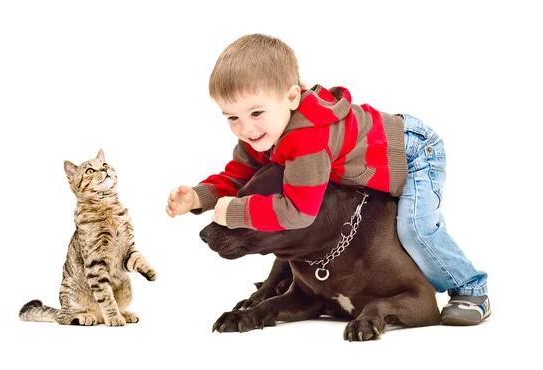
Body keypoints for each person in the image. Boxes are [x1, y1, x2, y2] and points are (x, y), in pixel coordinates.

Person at [165, 33, 490, 325]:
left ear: (292, 98)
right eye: (232, 117)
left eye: (256, 112)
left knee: (415, 227)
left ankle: (472, 288)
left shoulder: (308, 139)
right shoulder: (262, 134)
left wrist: (234, 212)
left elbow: (297, 210)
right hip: (368, 163)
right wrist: (198, 197)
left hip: (412, 152)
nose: (245, 128)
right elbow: (237, 175)